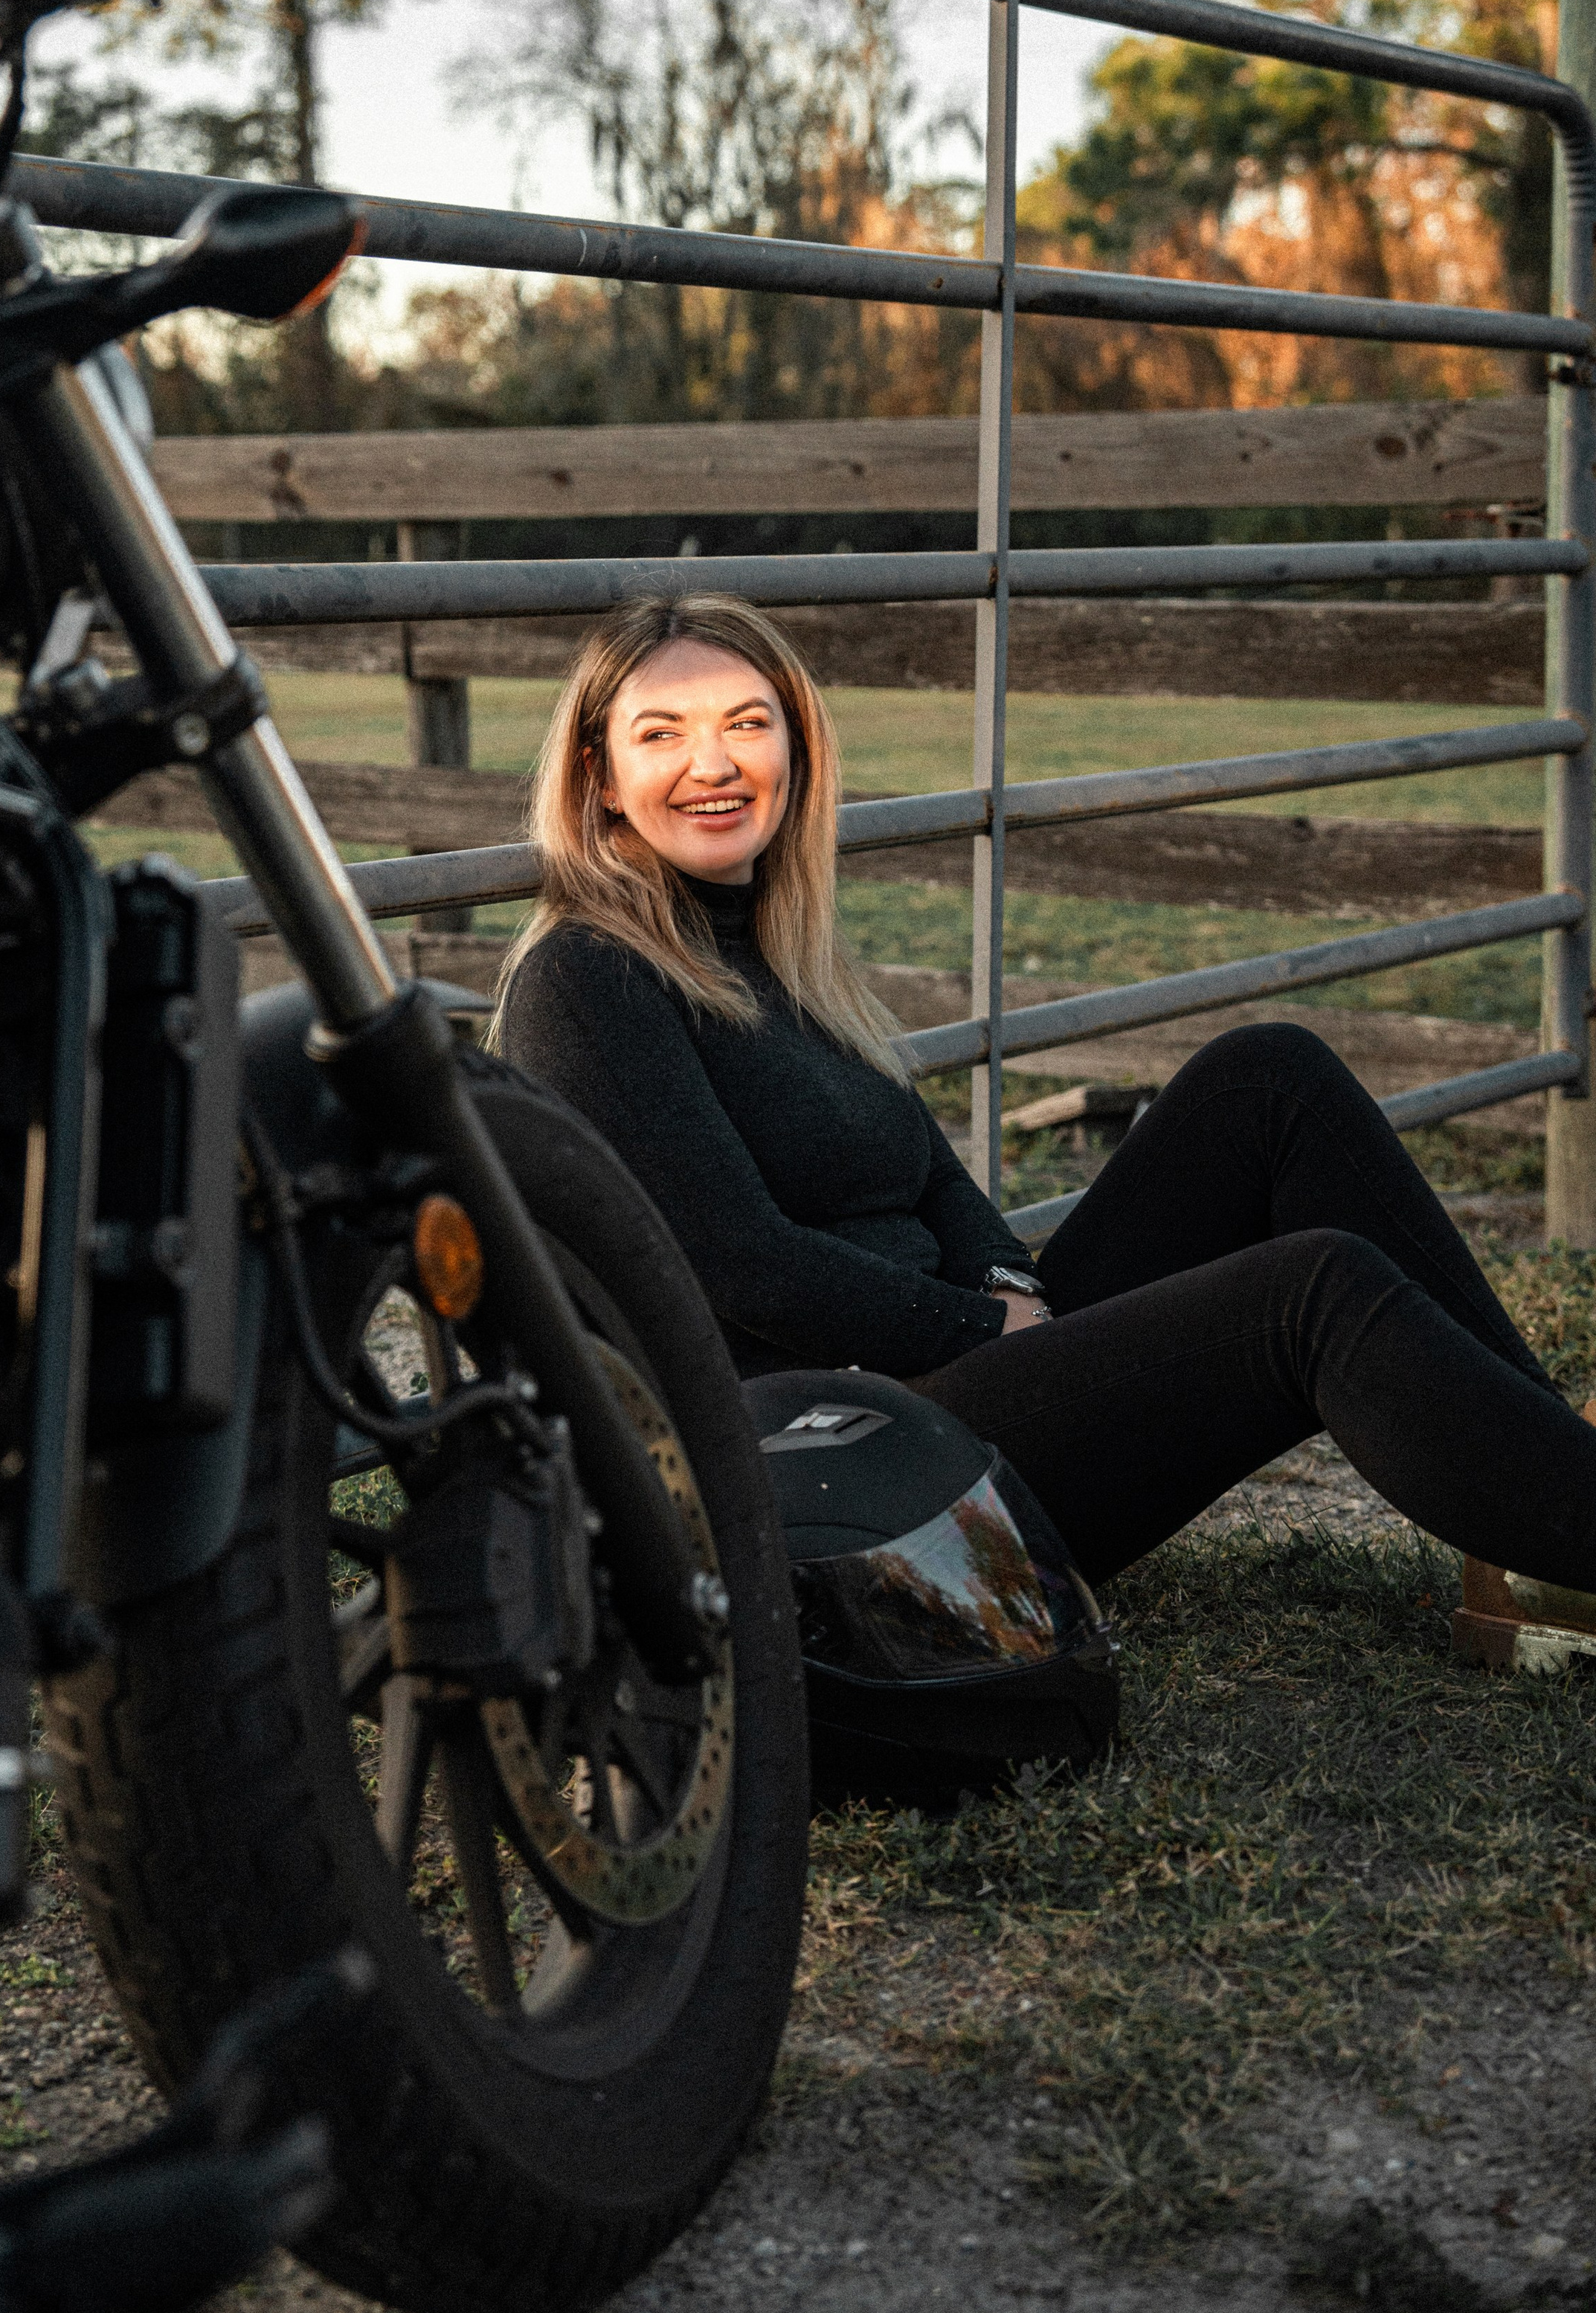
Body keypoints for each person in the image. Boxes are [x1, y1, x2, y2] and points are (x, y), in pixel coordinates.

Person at [493, 591, 1596, 1602]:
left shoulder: (781, 961)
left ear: (796, 743)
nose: (713, 763)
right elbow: (733, 1265)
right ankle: (1567, 1521)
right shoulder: (590, 979)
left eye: (745, 721)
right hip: (849, 1463)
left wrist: (1013, 1289)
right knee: (1314, 1291)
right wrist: (980, 1325)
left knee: (1270, 1079)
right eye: (661, 734)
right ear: (598, 775)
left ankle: (1545, 1499)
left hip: (954, 1378)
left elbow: (928, 1173)